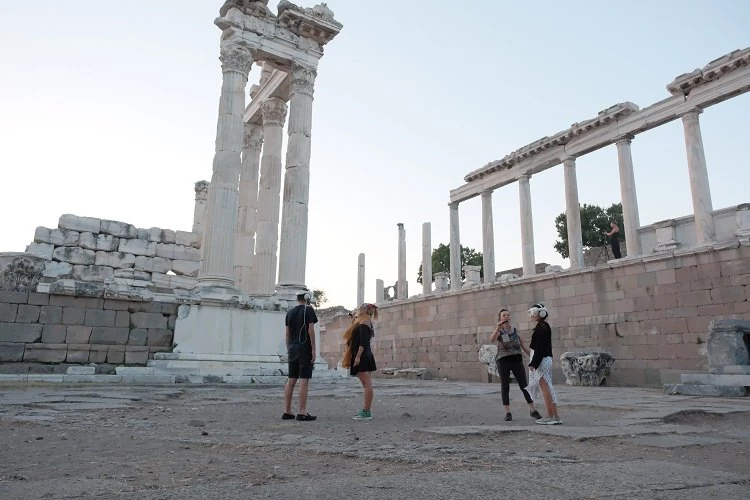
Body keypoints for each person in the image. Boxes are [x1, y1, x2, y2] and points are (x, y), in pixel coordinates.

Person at [489, 308, 543, 422]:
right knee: (505, 386)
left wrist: (535, 357)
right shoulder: (498, 331)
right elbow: (492, 340)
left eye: (508, 315)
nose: (506, 317)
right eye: (504, 315)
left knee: (524, 385)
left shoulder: (515, 330)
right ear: (500, 318)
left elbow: (523, 345)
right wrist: (497, 328)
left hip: (516, 359)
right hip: (503, 360)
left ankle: (533, 410)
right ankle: (507, 412)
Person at [282, 290, 318, 422]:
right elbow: (310, 330)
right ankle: (302, 412)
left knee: (291, 379)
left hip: (292, 347)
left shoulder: (289, 312)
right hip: (304, 348)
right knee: (304, 379)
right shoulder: (308, 310)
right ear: (307, 297)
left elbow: (287, 333)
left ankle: (287, 411)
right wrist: (313, 350)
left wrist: (288, 348)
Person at [526, 303, 562, 425]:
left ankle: (550, 416)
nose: (531, 315)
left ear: (539, 313)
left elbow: (539, 348)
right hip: (545, 359)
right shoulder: (543, 326)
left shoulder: (541, 327)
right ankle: (555, 415)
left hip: (542, 361)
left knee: (545, 387)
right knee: (548, 387)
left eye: (533, 312)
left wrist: (534, 363)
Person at [342, 303, 379, 421]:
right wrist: (353, 318)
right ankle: (365, 410)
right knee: (365, 384)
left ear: (363, 310)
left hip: (361, 355)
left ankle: (367, 411)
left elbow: (362, 342)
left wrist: (357, 357)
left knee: (367, 383)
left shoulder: (364, 322)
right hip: (362, 354)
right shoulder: (362, 321)